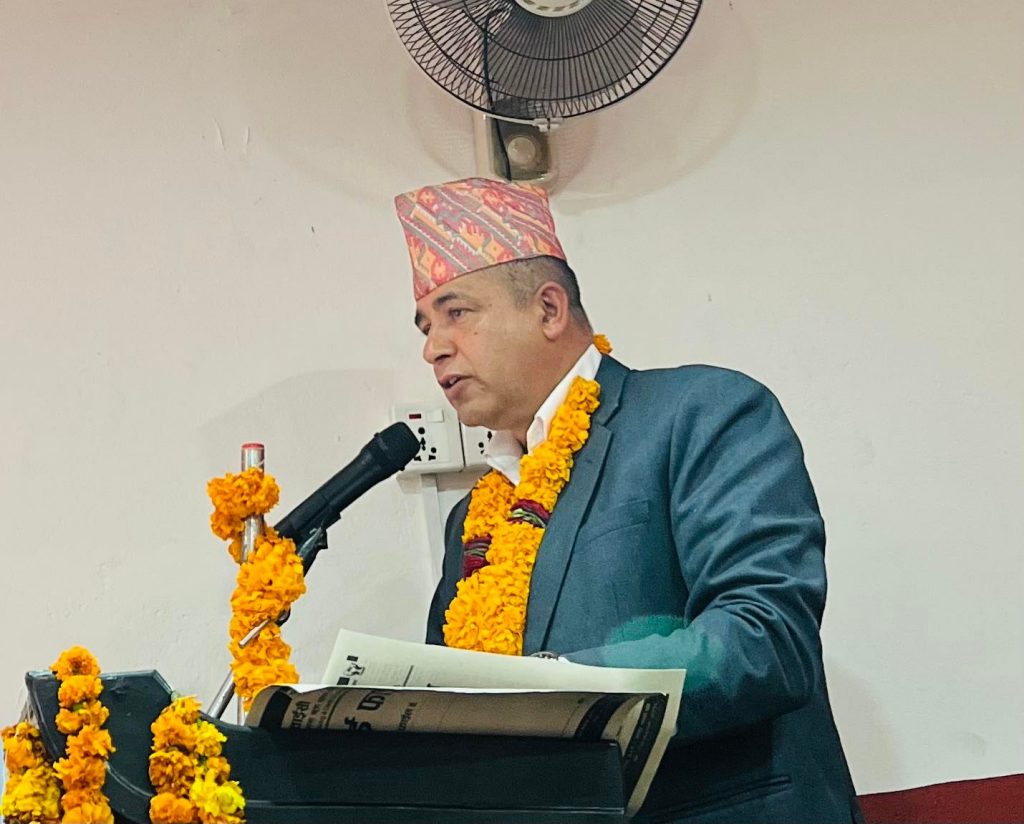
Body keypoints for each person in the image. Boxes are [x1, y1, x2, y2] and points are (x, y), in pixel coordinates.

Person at [394, 177, 864, 824]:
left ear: (549, 309)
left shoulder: (701, 414)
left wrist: (547, 692)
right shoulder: (472, 519)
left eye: (457, 313)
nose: (433, 347)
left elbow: (764, 643)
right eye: (425, 326)